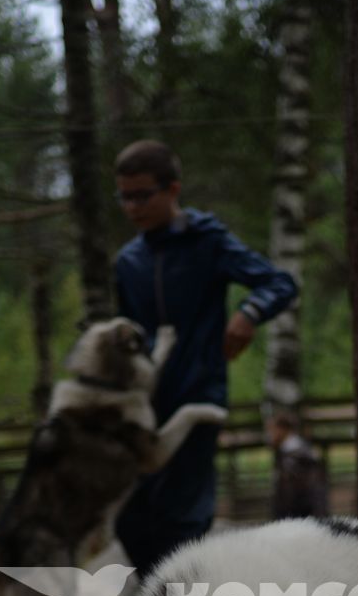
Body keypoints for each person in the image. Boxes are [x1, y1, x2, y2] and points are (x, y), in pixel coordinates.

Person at [109, 140, 299, 572]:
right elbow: (128, 333)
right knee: (130, 517)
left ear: (172, 189)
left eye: (143, 195)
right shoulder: (128, 262)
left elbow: (279, 283)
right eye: (125, 196)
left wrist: (248, 315)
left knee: (185, 518)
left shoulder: (207, 242)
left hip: (198, 397)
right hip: (142, 407)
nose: (133, 207)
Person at [266, 411, 329, 520]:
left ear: (282, 429)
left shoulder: (298, 452)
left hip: (301, 509)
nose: (270, 434)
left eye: (273, 430)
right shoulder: (287, 450)